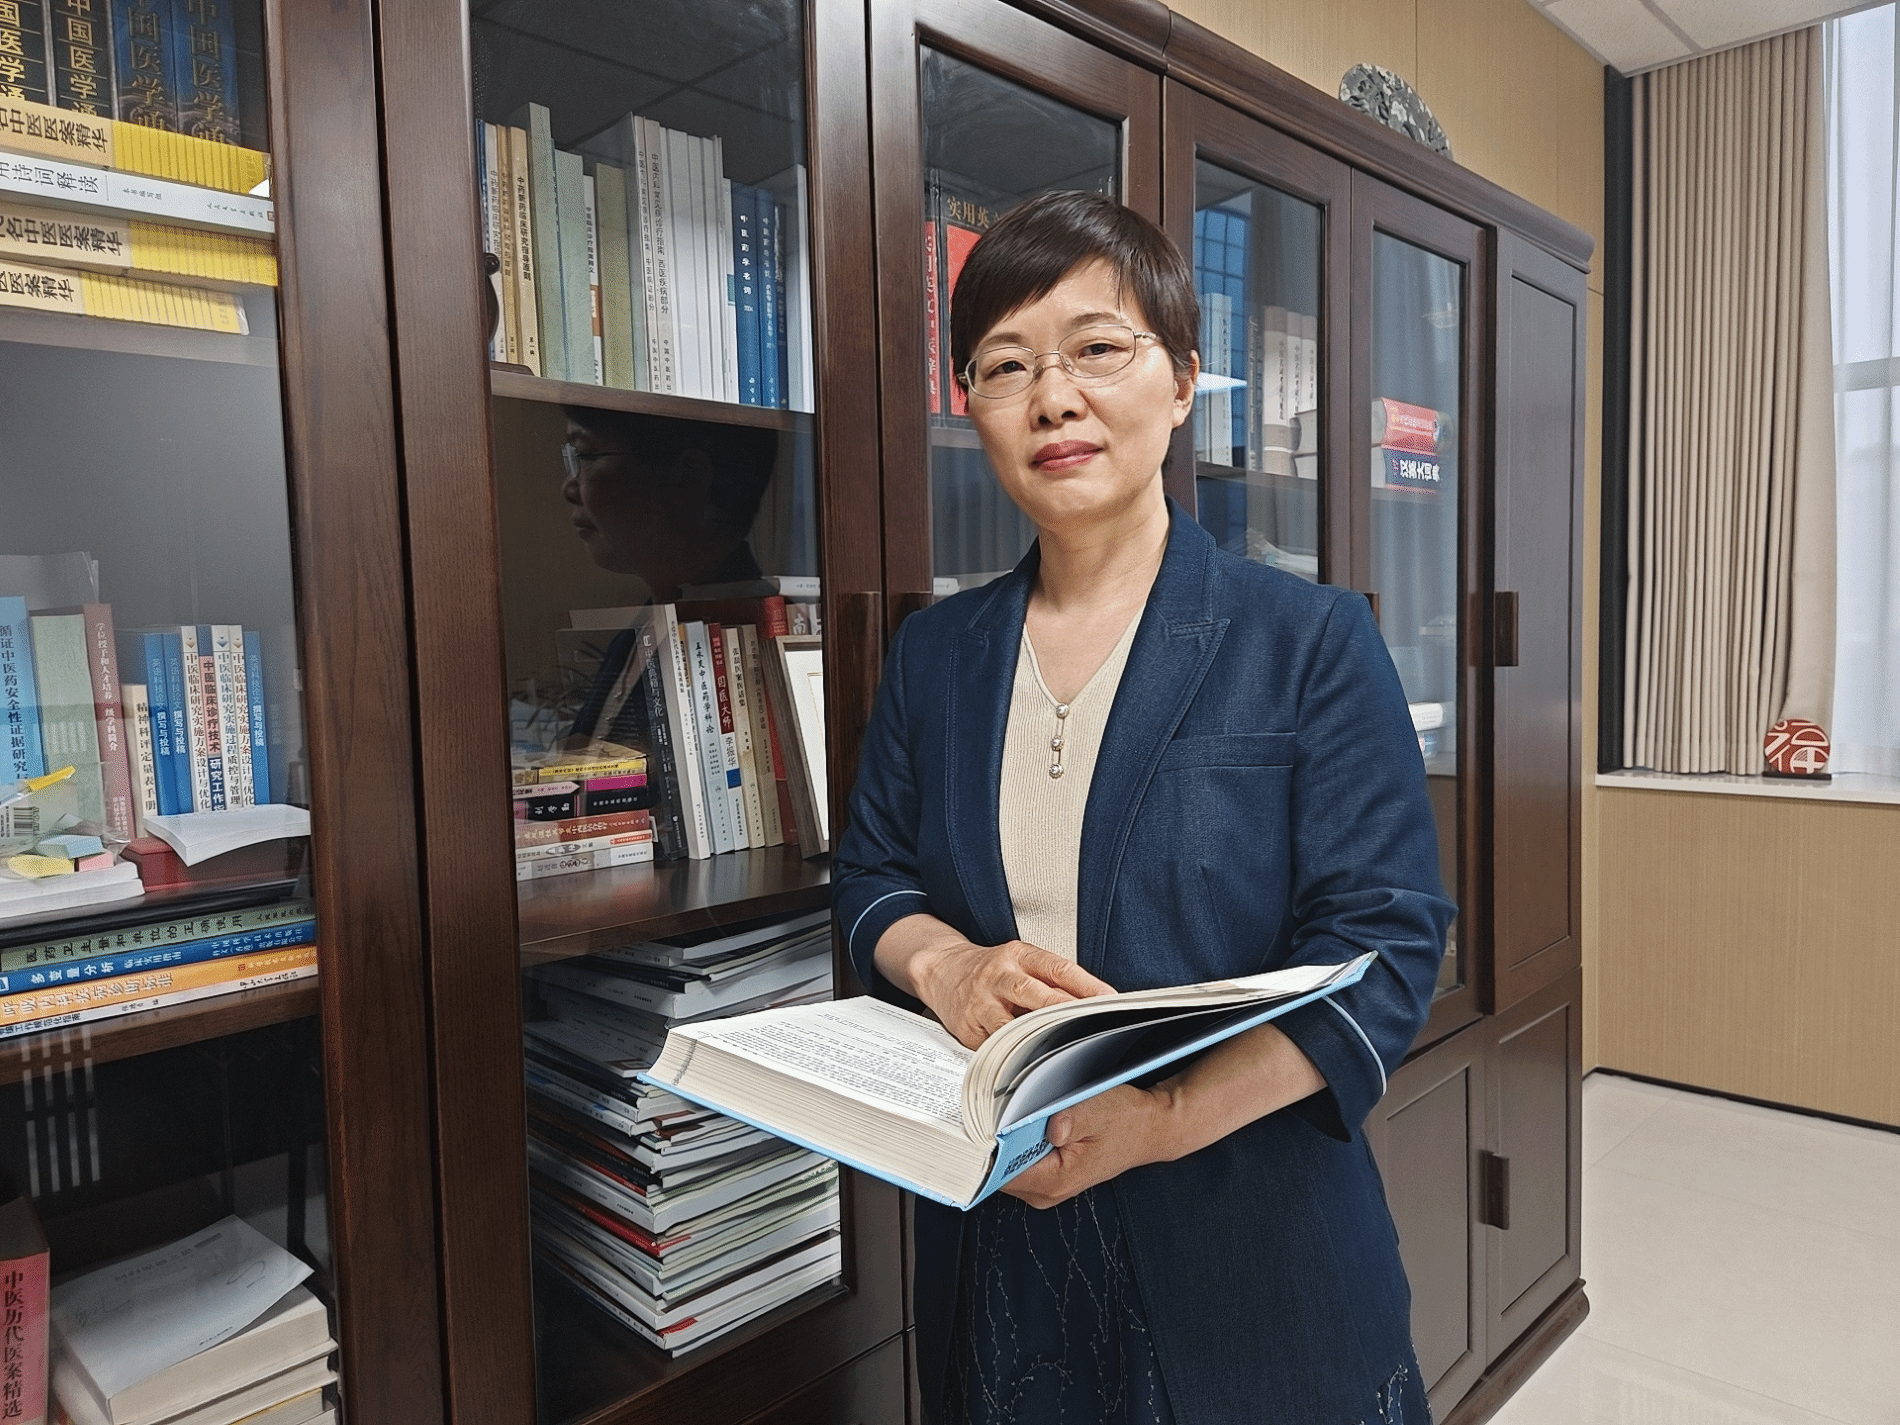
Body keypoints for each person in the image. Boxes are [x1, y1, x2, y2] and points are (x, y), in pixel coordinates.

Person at [832, 190, 1453, 1425]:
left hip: (1247, 1238)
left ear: (1181, 383)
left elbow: (1386, 952)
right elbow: (871, 876)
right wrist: (948, 966)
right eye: (1005, 365)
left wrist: (1165, 1118)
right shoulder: (936, 653)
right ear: (972, 407)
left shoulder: (1308, 640)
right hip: (1001, 1230)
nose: (1052, 397)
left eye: (1096, 349)